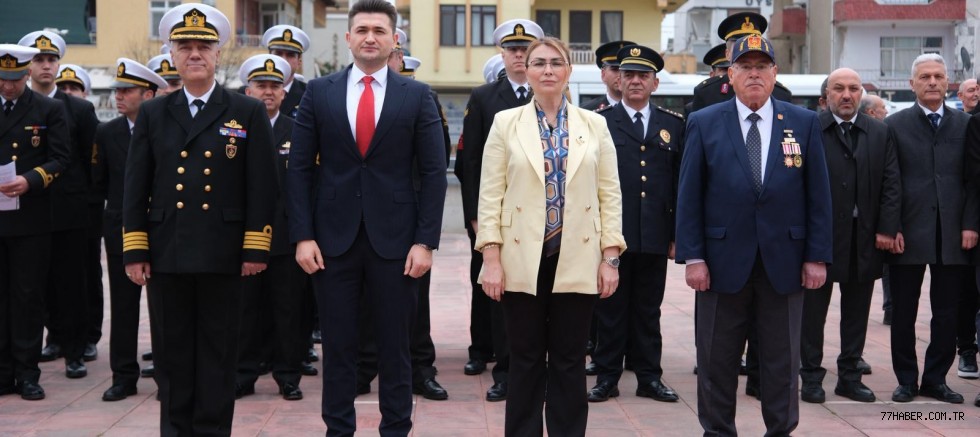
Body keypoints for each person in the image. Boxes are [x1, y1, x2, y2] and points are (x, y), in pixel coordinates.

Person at [286, 0, 447, 434]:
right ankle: (338, 429)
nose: (370, 37)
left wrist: (425, 241)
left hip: (397, 244)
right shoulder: (319, 93)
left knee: (396, 346)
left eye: (379, 29)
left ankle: (396, 428)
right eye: (362, 30)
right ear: (349, 38)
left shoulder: (417, 95)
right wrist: (302, 235)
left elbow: (434, 173)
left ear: (395, 38)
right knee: (338, 346)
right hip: (331, 242)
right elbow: (299, 168)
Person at [122, 3, 279, 435]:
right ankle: (174, 430)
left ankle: (211, 430)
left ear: (217, 55)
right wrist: (135, 248)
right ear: (172, 54)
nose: (194, 54)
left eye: (203, 47)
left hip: (223, 252)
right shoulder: (154, 111)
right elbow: (135, 186)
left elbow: (262, 186)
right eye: (185, 46)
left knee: (217, 352)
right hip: (167, 249)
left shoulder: (244, 110)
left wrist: (255, 246)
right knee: (171, 355)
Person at [676, 35, 832, 436]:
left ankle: (780, 430)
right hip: (721, 263)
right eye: (745, 67)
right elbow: (689, 195)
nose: (754, 74)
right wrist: (693, 257)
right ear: (731, 74)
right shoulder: (704, 121)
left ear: (775, 73)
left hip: (785, 262)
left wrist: (817, 256)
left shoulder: (803, 122)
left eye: (762, 66)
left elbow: (818, 195)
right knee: (716, 359)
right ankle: (717, 431)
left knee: (782, 361)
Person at [475, 36, 624, 436]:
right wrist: (490, 258)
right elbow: (490, 193)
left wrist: (610, 259)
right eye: (538, 63)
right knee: (523, 359)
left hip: (577, 256)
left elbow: (609, 194)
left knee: (569, 359)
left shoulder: (595, 125)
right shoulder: (506, 123)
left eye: (555, 63)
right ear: (526, 70)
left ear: (568, 71)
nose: (547, 70)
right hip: (521, 258)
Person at [799, 68, 901, 405]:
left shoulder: (879, 131)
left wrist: (887, 228)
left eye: (853, 88)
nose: (846, 95)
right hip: (819, 239)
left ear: (861, 93)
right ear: (826, 94)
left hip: (865, 237)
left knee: (857, 313)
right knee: (812, 313)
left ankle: (850, 377)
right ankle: (811, 377)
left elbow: (891, 183)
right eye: (838, 88)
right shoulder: (808, 128)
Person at [356, 49, 451, 402]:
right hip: (361, 214)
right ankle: (364, 368)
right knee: (365, 300)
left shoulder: (422, 98)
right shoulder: (351, 93)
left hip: (406, 217)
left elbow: (435, 161)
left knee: (414, 302)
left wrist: (426, 229)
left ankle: (420, 370)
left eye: (396, 56)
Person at [588, 44, 681, 405]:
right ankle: (606, 377)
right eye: (629, 75)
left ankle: (649, 378)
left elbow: (677, 185)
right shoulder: (599, 122)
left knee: (648, 310)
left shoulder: (672, 124)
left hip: (655, 235)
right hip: (612, 235)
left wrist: (675, 236)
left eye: (644, 75)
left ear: (655, 83)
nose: (636, 81)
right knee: (609, 310)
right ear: (618, 80)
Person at [459, 18, 543, 402]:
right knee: (501, 291)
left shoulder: (549, 92)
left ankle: (538, 370)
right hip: (502, 214)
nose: (520, 56)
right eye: (513, 50)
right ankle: (505, 372)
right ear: (502, 54)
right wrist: (477, 217)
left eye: (526, 50)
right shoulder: (484, 98)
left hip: (545, 213)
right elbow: (472, 161)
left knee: (543, 293)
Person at [885, 53, 975, 405]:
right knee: (904, 311)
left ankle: (936, 379)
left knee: (947, 312)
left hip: (953, 233)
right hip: (907, 233)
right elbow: (888, 181)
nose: (933, 82)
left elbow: (972, 181)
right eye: (925, 77)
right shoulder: (894, 125)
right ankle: (906, 380)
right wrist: (890, 227)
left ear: (948, 81)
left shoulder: (965, 125)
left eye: (939, 76)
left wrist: (971, 224)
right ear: (912, 84)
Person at [20, 30, 101, 375]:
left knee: (73, 281)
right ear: (27, 65)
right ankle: (52, 338)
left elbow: (91, 161)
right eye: (39, 59)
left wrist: (90, 207)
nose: (46, 66)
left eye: (51, 59)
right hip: (30, 207)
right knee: (38, 279)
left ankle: (76, 347)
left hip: (71, 209)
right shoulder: (19, 106)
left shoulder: (79, 109)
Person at [230, 54, 306, 402]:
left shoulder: (299, 131)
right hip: (244, 238)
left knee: (288, 312)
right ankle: (243, 374)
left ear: (285, 93)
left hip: (287, 239)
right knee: (245, 311)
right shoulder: (233, 128)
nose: (268, 92)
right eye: (261, 85)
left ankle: (288, 375)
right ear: (248, 89)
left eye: (275, 86)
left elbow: (309, 185)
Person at [92, 58, 168, 401]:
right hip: (122, 229)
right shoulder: (107, 133)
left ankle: (168, 377)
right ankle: (123, 376)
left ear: (148, 94)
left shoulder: (167, 129)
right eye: (117, 91)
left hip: (163, 229)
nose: (119, 97)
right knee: (123, 307)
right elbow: (100, 183)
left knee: (165, 308)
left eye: (127, 91)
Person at [0, 44, 71, 401]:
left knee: (27, 296)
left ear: (26, 74)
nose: (8, 87)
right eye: (2, 79)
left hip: (31, 216)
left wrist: (31, 179)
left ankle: (27, 372)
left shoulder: (48, 109)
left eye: (14, 79)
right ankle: (2, 372)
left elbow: (61, 158)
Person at [690, 12, 792, 112]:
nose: (745, 49)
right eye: (738, 46)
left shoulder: (780, 93)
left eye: (761, 66)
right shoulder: (707, 92)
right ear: (728, 54)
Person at [261, 25, 309, 118]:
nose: (283, 60)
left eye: (290, 55)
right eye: (278, 53)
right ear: (269, 56)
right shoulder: (248, 93)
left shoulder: (309, 96)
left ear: (299, 61)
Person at [580, 40, 634, 111]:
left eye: (626, 70)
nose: (621, 75)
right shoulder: (586, 112)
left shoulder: (646, 111)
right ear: (603, 74)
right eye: (615, 69)